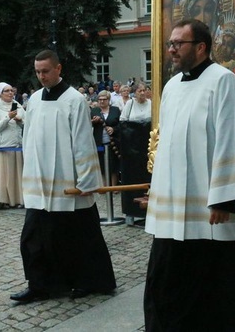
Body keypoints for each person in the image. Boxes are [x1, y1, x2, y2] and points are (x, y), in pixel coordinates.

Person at [143, 19, 235, 331]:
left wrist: (225, 198)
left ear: (200, 47)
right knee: (167, 277)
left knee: (222, 283)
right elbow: (168, 143)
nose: (170, 49)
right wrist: (157, 191)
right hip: (175, 208)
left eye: (178, 44)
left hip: (211, 209)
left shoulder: (223, 81)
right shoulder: (172, 86)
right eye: (170, 43)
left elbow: (231, 140)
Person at [11, 49, 116, 303]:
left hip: (68, 182)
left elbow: (82, 141)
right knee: (33, 237)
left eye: (45, 71)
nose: (41, 76)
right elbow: (29, 138)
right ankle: (39, 285)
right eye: (37, 72)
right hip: (40, 182)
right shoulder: (34, 99)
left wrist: (87, 180)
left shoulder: (74, 100)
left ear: (58, 69)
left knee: (75, 237)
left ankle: (86, 281)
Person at [118, 82, 152, 223]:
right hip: (132, 150)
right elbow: (123, 123)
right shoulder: (129, 105)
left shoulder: (151, 104)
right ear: (135, 92)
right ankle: (131, 213)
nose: (142, 93)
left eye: (144, 90)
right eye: (139, 91)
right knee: (131, 179)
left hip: (148, 149)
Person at [0, 82, 25, 208]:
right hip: (4, 146)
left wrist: (20, 120)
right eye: (7, 91)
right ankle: (5, 200)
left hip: (17, 145)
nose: (11, 93)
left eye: (12, 90)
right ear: (1, 94)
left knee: (18, 175)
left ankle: (19, 199)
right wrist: (8, 118)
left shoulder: (18, 105)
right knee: (6, 175)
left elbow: (27, 123)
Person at [90, 90, 120, 187]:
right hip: (99, 142)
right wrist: (94, 121)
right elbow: (88, 123)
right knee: (101, 163)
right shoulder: (94, 110)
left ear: (108, 100)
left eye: (104, 99)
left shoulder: (115, 110)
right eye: (100, 99)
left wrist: (113, 129)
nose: (102, 101)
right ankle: (104, 186)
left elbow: (121, 125)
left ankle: (114, 186)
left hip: (113, 142)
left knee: (114, 164)